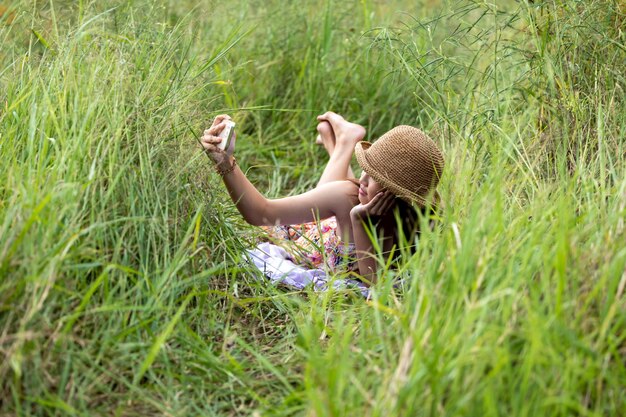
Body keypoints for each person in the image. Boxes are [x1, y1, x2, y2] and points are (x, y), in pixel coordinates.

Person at [200, 112, 444, 285]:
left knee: (343, 192)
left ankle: (341, 141)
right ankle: (344, 140)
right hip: (316, 236)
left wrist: (359, 220)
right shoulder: (347, 195)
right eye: (365, 170)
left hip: (339, 223)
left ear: (398, 196)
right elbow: (260, 213)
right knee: (342, 193)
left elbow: (375, 282)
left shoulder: (410, 222)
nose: (364, 181)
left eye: (375, 178)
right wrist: (225, 161)